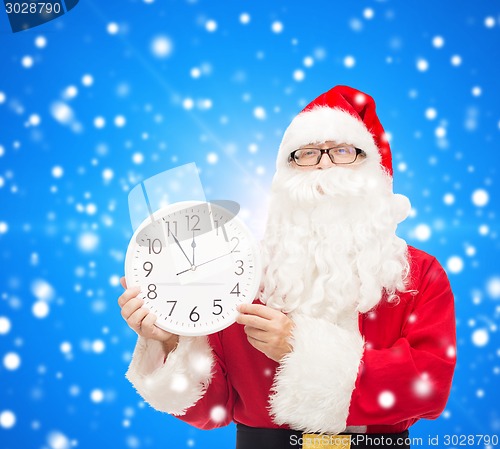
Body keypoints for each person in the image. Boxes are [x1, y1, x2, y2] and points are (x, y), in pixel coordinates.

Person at [118, 85, 456, 449]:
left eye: (343, 151)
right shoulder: (239, 271)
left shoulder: (420, 274)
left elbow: (429, 387)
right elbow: (213, 409)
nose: (324, 163)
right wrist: (171, 340)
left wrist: (299, 347)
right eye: (307, 154)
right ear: (284, 176)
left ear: (374, 170)